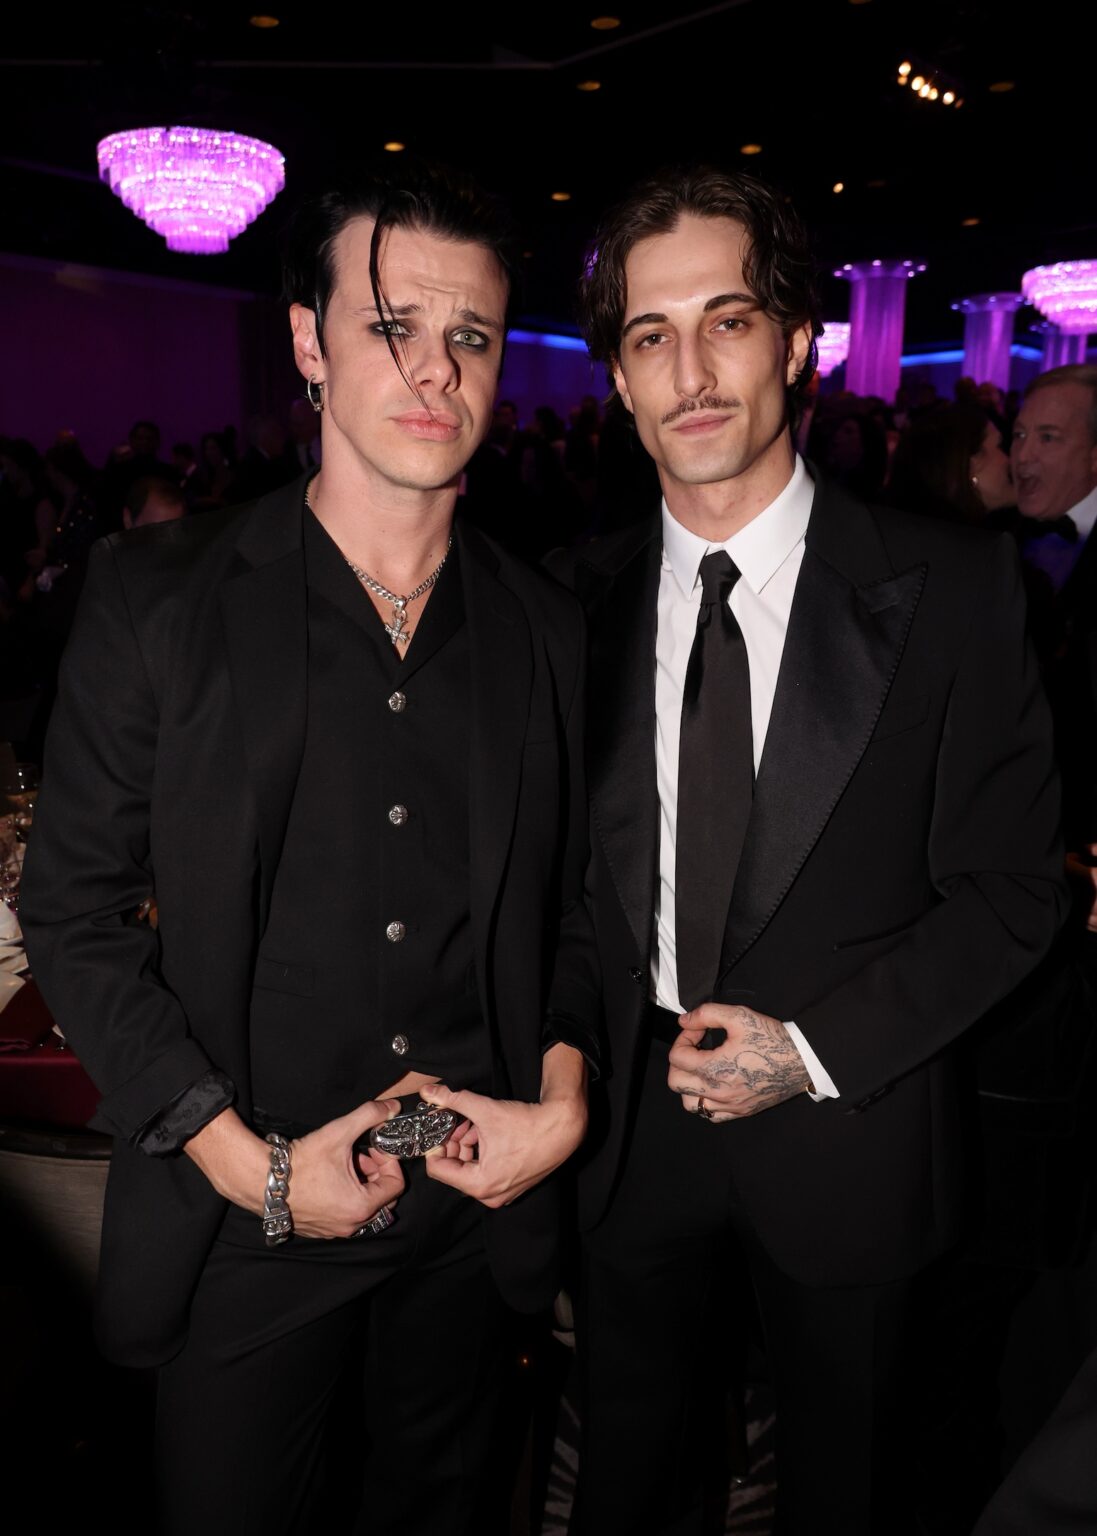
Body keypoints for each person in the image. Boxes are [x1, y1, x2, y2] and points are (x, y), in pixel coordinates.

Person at [21, 161, 596, 1536]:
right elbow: (74, 913)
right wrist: (250, 1168)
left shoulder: (548, 628)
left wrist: (564, 1098)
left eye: (469, 335)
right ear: (307, 342)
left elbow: (580, 910)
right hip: (244, 1215)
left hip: (468, 1216)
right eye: (391, 325)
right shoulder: (158, 598)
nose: (435, 368)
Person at [548, 165, 1065, 1535]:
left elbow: (1013, 891)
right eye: (650, 336)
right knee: (624, 1488)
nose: (690, 372)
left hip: (854, 1131)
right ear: (618, 380)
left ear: (795, 345)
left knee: (852, 1494)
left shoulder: (954, 590)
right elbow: (558, 894)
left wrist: (812, 1050)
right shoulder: (565, 606)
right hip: (624, 1138)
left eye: (727, 321)